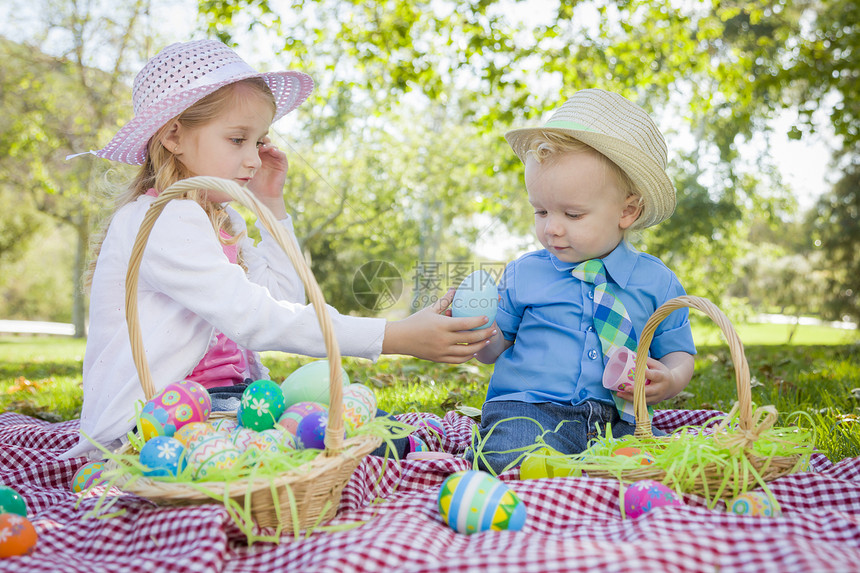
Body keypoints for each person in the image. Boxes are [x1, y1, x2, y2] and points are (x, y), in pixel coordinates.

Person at [61, 39, 493, 459]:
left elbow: (284, 300)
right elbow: (256, 320)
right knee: (322, 439)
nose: (253, 158)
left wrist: (271, 204)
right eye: (237, 140)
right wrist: (394, 336)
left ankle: (387, 448)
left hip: (227, 402)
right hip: (151, 421)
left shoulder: (222, 218)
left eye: (259, 141)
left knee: (349, 418)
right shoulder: (162, 219)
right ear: (174, 135)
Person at [466, 89, 696, 474]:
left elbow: (678, 351)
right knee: (512, 460)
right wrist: (477, 332)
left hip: (619, 421)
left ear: (627, 211)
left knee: (647, 473)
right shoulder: (525, 274)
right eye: (540, 211)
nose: (551, 228)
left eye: (572, 214)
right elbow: (492, 350)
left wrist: (670, 378)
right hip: (529, 408)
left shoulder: (658, 282)